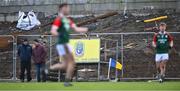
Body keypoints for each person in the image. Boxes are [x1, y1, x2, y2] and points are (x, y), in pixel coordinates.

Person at [49, 3, 88, 86]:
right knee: (71, 63)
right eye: (67, 8)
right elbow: (53, 31)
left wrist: (86, 29)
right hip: (62, 44)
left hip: (65, 44)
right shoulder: (59, 19)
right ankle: (66, 81)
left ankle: (48, 70)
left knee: (66, 65)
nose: (68, 9)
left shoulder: (67, 20)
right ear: (62, 9)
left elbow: (76, 28)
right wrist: (60, 35)